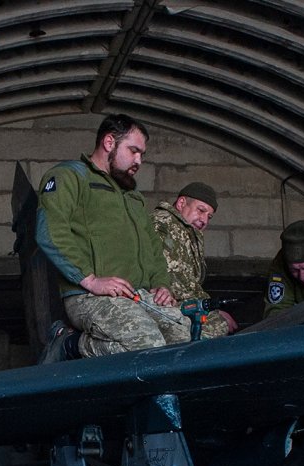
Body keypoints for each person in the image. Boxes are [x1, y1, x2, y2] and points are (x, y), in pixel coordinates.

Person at [35, 114, 190, 361]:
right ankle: (70, 344)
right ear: (109, 142)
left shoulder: (132, 196)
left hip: (137, 295)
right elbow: (50, 232)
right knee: (147, 343)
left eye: (142, 154)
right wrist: (91, 280)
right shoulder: (70, 177)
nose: (139, 160)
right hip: (90, 296)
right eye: (133, 150)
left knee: (182, 338)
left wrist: (162, 285)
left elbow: (152, 248)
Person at [150, 182, 237, 338]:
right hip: (161, 301)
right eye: (201, 210)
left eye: (209, 216)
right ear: (182, 203)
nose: (204, 220)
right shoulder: (164, 223)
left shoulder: (186, 230)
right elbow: (174, 279)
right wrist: (210, 308)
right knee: (216, 328)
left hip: (177, 301)